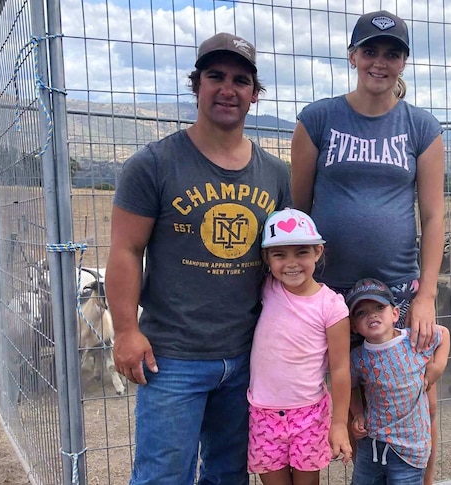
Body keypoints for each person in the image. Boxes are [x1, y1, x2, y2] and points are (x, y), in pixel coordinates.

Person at [106, 32, 292, 485]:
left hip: (248, 354)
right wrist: (127, 331)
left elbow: (288, 263)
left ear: (254, 95)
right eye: (216, 77)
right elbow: (126, 251)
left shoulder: (274, 174)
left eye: (240, 80)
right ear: (197, 85)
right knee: (162, 476)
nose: (227, 89)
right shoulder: (153, 164)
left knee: (229, 474)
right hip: (172, 357)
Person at [290, 10, 446, 481]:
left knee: (421, 396)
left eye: (393, 53)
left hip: (398, 289)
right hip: (335, 292)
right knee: (356, 398)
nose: (381, 62)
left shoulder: (421, 127)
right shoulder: (318, 119)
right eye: (371, 51)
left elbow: (434, 216)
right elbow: (298, 211)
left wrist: (425, 296)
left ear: (404, 62)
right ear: (353, 55)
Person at [247, 207, 352, 484]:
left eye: (301, 252)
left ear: (318, 252)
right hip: (264, 414)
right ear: (266, 259)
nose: (291, 263)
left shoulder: (331, 307)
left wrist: (339, 423)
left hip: (309, 415)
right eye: (279, 254)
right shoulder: (267, 288)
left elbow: (341, 369)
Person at [346, 278, 450, 484]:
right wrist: (357, 413)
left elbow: (444, 334)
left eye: (379, 307)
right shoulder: (357, 357)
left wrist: (437, 367)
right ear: (354, 327)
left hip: (410, 450)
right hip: (372, 446)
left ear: (395, 314)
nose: (372, 315)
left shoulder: (414, 340)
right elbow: (351, 386)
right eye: (361, 313)